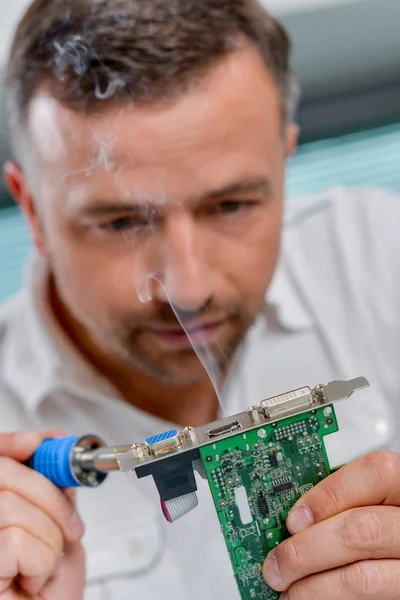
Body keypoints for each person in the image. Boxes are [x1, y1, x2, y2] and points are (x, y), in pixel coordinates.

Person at [0, 0, 399, 598]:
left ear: (286, 162)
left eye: (231, 206)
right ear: (31, 210)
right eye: (120, 221)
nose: (188, 289)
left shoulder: (379, 257)